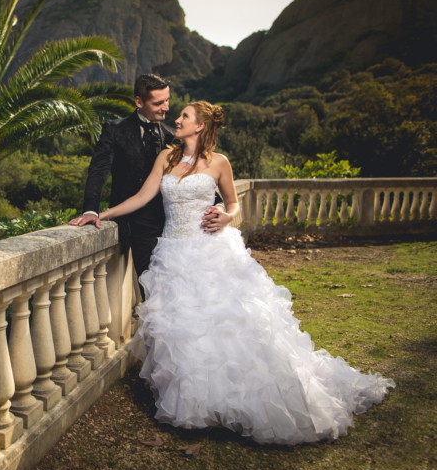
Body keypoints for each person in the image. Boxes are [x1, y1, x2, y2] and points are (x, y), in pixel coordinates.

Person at [92, 100, 395, 444]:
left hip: (211, 250)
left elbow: (234, 203)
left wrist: (225, 213)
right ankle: (197, 403)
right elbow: (144, 196)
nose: (177, 120)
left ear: (201, 126)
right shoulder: (167, 157)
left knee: (229, 324)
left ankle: (243, 395)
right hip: (173, 252)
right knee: (187, 328)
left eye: (185, 116)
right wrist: (101, 214)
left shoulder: (220, 162)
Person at [69, 74, 230, 280]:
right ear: (139, 102)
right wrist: (92, 210)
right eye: (158, 103)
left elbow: (197, 178)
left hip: (171, 226)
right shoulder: (115, 130)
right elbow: (98, 171)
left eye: (167, 100)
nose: (166, 108)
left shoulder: (174, 136)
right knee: (154, 292)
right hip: (134, 224)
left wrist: (219, 206)